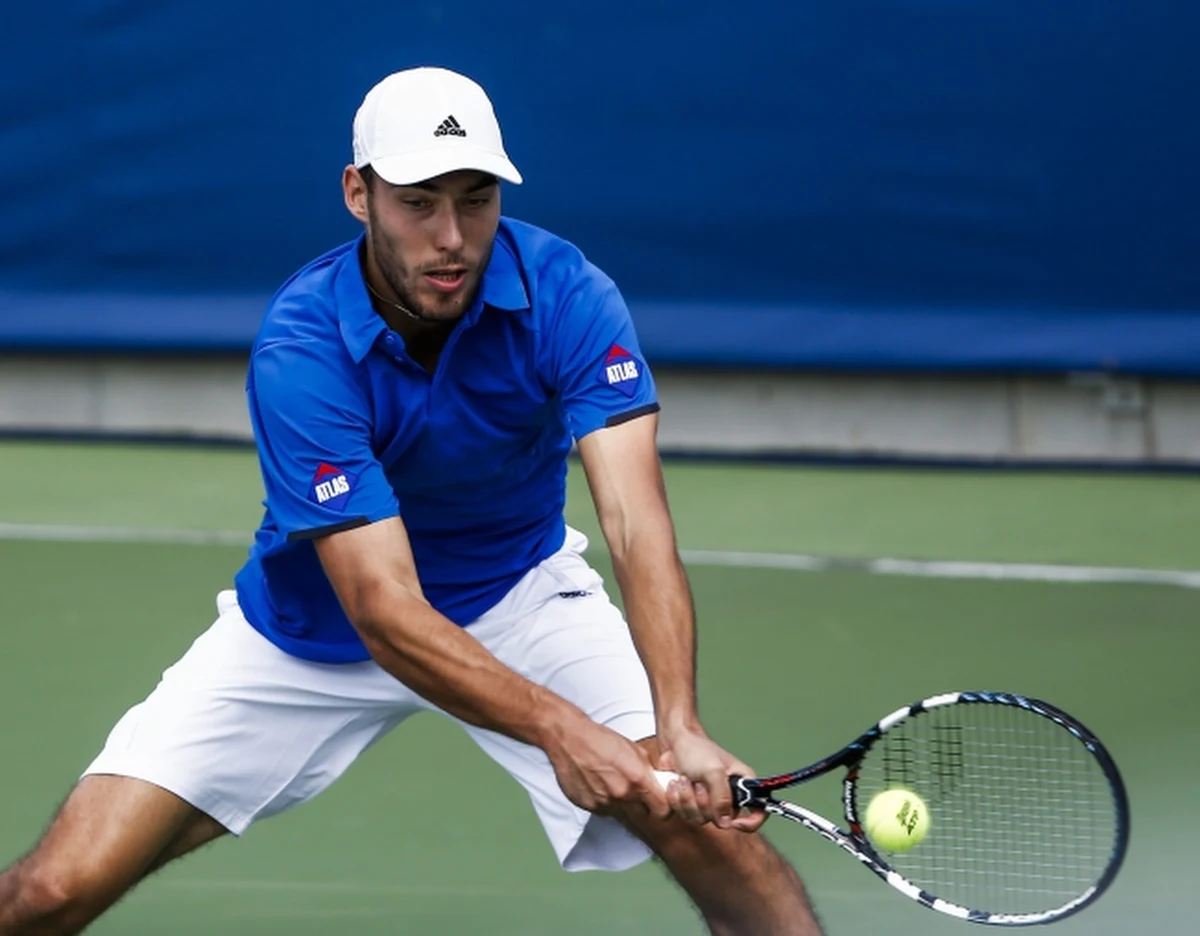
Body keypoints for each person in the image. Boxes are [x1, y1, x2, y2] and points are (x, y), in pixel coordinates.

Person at [0, 67, 823, 935]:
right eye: (418, 203)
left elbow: (634, 521)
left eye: (475, 200)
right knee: (53, 891)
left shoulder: (568, 294)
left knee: (712, 840)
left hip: (520, 592)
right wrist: (560, 729)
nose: (453, 236)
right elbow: (385, 610)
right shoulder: (303, 349)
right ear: (359, 195)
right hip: (315, 636)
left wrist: (678, 720)